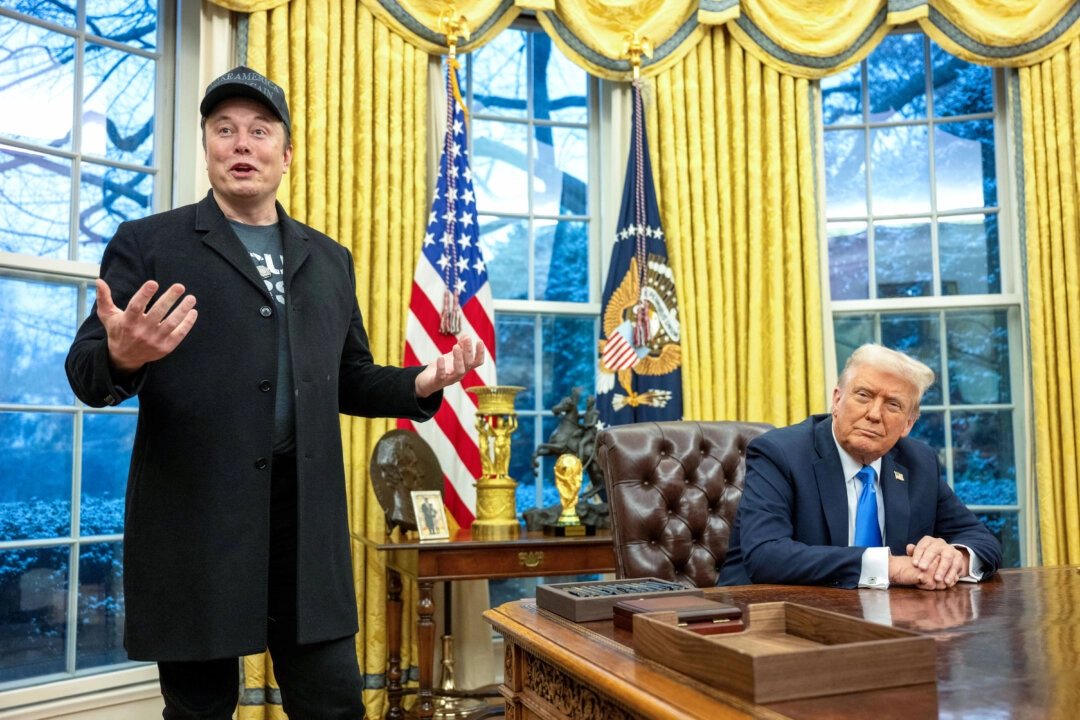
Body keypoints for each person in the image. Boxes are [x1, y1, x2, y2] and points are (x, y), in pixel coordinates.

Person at [65, 66, 485, 720]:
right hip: (195, 519)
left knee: (334, 703)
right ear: (206, 147)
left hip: (305, 520)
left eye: (259, 131)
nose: (241, 144)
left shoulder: (331, 259)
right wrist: (121, 353)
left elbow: (348, 378)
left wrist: (422, 382)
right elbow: (87, 371)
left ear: (285, 155)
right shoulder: (147, 245)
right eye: (224, 129)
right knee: (200, 709)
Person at [718, 344, 1002, 590]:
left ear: (908, 424)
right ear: (837, 400)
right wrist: (890, 567)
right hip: (767, 620)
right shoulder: (780, 453)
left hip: (887, 622)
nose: (874, 414)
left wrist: (953, 558)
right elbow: (767, 556)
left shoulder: (919, 462)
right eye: (864, 395)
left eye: (892, 405)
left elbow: (982, 540)